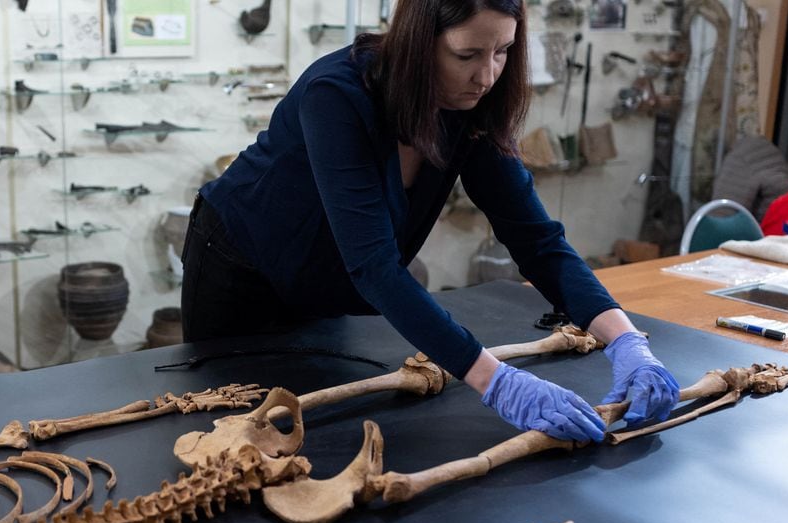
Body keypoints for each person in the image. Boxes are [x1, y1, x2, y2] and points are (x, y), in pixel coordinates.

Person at [182, 0, 679, 442]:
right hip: (239, 269)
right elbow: (375, 266)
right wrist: (495, 380)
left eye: (502, 52)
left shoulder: (470, 107)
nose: (487, 76)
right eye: (467, 56)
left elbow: (536, 240)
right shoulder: (336, 95)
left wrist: (627, 341)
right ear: (420, 44)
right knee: (223, 429)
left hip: (324, 278)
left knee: (312, 429)